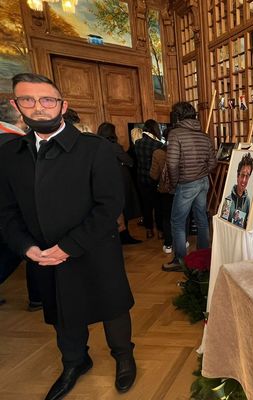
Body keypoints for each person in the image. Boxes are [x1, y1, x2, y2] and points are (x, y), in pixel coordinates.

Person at [0, 73, 136, 400]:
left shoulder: (95, 149)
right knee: (62, 311)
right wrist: (28, 248)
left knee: (112, 305)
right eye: (29, 100)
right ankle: (75, 361)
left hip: (94, 248)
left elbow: (109, 206)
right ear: (16, 106)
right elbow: (6, 212)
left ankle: (124, 356)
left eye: (47, 100)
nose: (40, 107)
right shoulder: (9, 155)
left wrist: (68, 247)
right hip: (42, 253)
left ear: (63, 105)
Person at [162, 102, 216, 272]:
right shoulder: (204, 136)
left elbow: (171, 164)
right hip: (203, 182)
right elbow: (213, 163)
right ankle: (204, 255)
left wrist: (176, 182)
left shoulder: (175, 134)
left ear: (177, 116)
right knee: (201, 218)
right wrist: (200, 173)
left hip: (186, 184)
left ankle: (179, 260)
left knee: (177, 222)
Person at [0, 98, 43, 311]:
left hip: (9, 209)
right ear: (20, 116)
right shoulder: (13, 144)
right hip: (16, 209)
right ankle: (38, 297)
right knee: (26, 249)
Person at [97, 122, 142, 245]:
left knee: (112, 210)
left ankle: (116, 237)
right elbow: (129, 161)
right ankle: (124, 236)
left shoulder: (96, 145)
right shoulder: (113, 146)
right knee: (123, 208)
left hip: (103, 181)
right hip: (119, 180)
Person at [134, 119, 164, 239]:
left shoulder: (137, 143)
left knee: (146, 205)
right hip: (154, 179)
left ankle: (149, 230)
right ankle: (161, 231)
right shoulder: (158, 145)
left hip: (141, 178)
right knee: (158, 206)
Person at [221, 152, 253, 229]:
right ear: (237, 176)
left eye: (247, 176)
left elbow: (247, 223)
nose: (244, 180)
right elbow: (223, 224)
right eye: (242, 175)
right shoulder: (228, 200)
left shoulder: (248, 200)